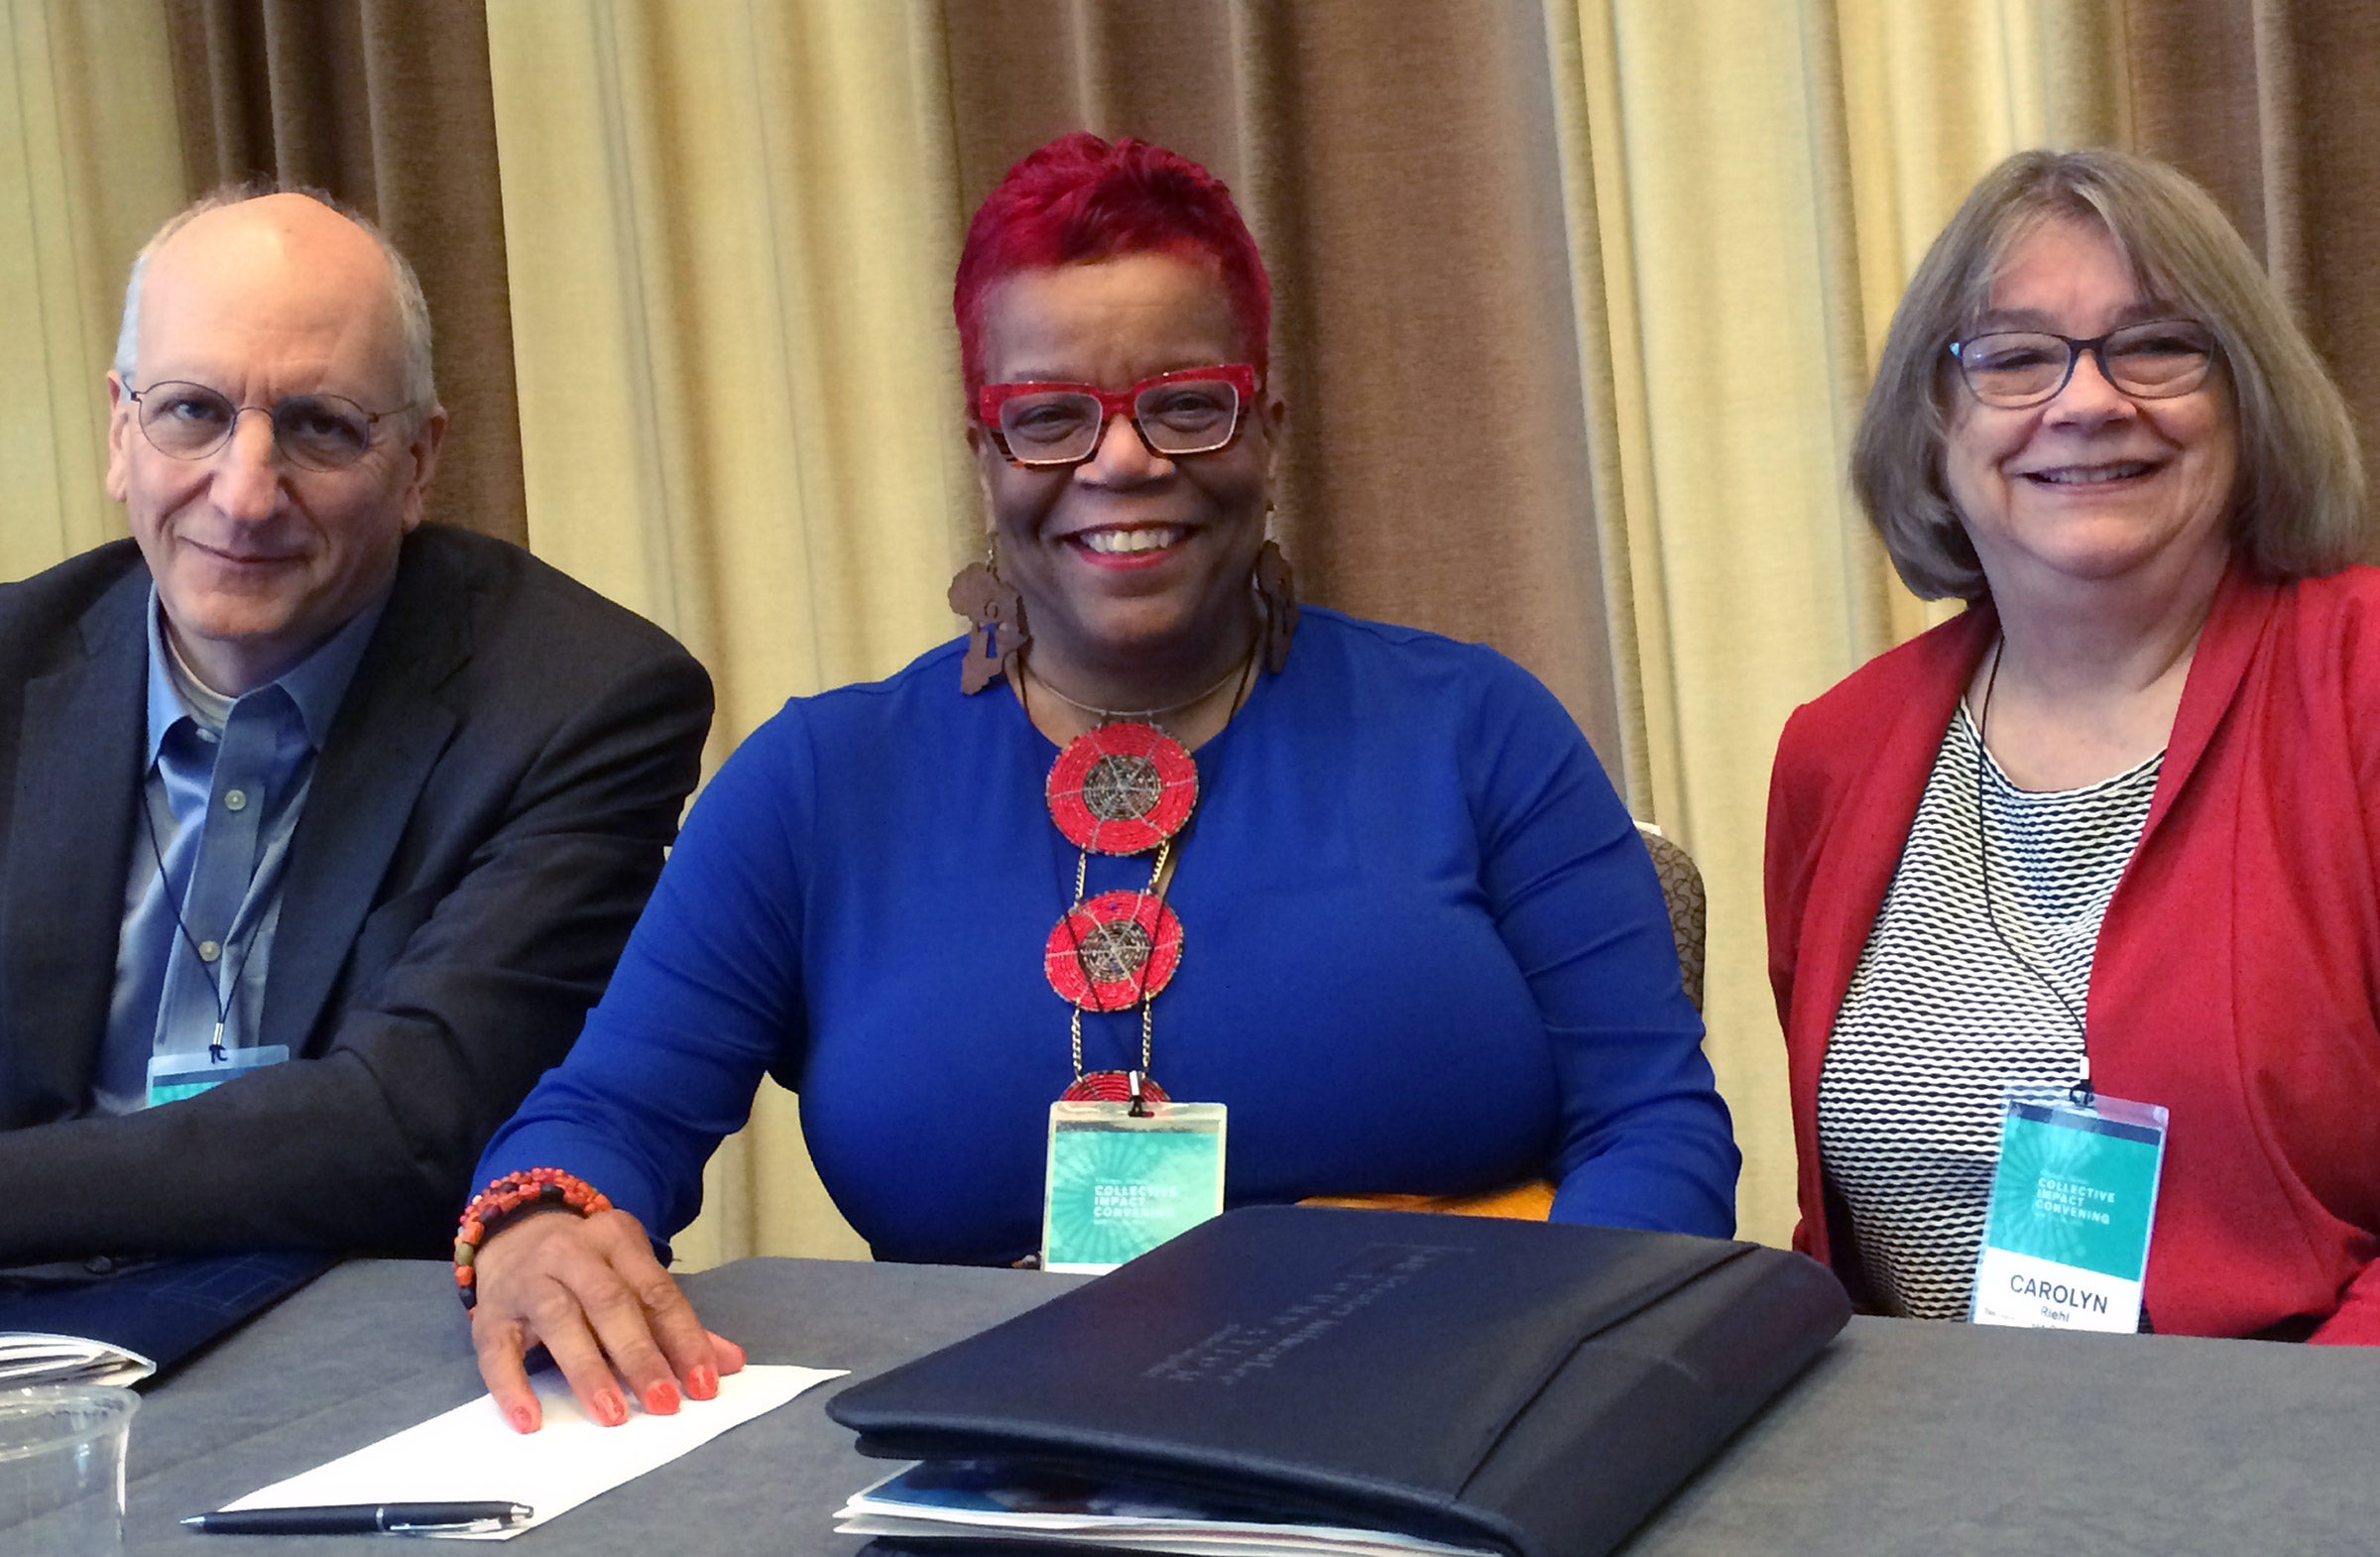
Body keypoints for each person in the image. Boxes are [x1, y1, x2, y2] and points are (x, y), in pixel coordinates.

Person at [462, 132, 1737, 1431]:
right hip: (992, 1467)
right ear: (985, 453)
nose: (1121, 462)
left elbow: (1657, 1127)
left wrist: (1531, 1384)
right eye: (1050, 416)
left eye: (1186, 402)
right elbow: (605, 1111)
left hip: (1443, 1430)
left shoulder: (1480, 729)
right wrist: (546, 1219)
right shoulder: (814, 786)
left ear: (1268, 429)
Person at [0, 189, 713, 1262]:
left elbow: (411, 1129)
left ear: (419, 462)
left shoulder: (580, 702)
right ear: (120, 431)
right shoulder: (14, 665)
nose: (244, 495)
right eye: (191, 410)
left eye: (318, 427)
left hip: (353, 1347)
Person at [1766, 147, 2378, 1342]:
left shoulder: (2360, 684)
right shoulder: (1836, 752)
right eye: (2015, 356)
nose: (2090, 401)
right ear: (1934, 422)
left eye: (2157, 344)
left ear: (2247, 400)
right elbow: (1837, 1244)